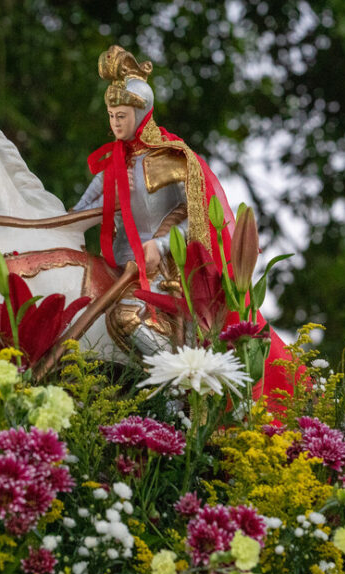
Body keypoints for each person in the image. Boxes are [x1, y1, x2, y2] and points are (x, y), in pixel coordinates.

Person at [74, 45, 234, 353]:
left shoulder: (173, 160)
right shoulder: (111, 166)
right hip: (115, 268)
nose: (115, 124)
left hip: (162, 275)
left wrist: (160, 246)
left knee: (126, 319)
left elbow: (197, 217)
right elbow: (80, 213)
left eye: (122, 116)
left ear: (141, 114)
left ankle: (178, 379)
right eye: (111, 116)